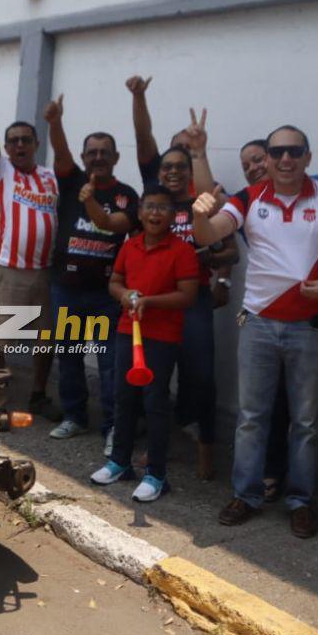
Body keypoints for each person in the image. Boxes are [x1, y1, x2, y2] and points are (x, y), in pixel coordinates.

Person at [193, 125, 318, 538]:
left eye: (294, 152)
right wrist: (199, 214)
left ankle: (301, 500)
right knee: (252, 417)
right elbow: (209, 235)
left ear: (307, 157)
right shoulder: (250, 198)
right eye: (277, 153)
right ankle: (246, 494)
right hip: (259, 324)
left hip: (312, 327)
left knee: (306, 422)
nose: (285, 159)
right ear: (267, 160)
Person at [128, 76, 237, 478]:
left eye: (184, 162)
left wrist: (209, 264)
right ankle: (156, 446)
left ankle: (205, 447)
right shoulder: (154, 200)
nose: (174, 170)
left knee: (202, 377)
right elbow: (143, 139)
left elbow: (230, 248)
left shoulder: (201, 200)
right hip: (154, 304)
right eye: (169, 164)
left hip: (192, 303)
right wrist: (139, 97)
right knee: (155, 378)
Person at [90, 186, 200, 502]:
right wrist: (123, 294)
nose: (155, 213)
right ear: (139, 212)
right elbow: (115, 282)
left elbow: (188, 295)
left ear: (174, 215)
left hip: (162, 338)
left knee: (154, 403)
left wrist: (149, 301)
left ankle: (156, 474)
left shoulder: (182, 251)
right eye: (149, 206)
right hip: (127, 331)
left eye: (163, 208)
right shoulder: (130, 246)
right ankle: (120, 463)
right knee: (123, 397)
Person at [44, 94, 138, 449]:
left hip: (104, 295)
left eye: (105, 152)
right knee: (68, 357)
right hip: (67, 289)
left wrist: (91, 202)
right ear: (84, 158)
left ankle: (113, 426)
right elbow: (62, 154)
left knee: (109, 362)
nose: (98, 157)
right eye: (92, 152)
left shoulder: (127, 195)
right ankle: (75, 418)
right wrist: (55, 122)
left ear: (116, 158)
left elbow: (116, 227)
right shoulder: (71, 182)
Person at [0, 48, 58, 413]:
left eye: (26, 140)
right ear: (6, 148)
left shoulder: (50, 176)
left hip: (45, 273)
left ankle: (37, 394)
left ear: (37, 145)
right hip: (8, 270)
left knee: (45, 340)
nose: (20, 145)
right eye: (14, 141)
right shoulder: (0, 171)